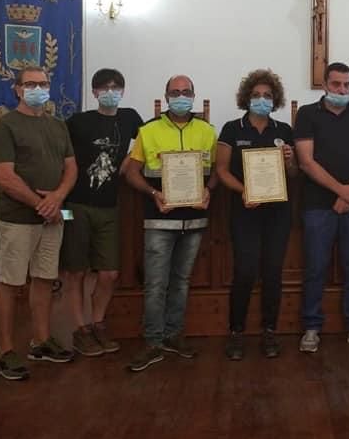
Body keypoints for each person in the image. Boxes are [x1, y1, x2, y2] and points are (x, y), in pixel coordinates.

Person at [123, 75, 217, 372]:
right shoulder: (148, 130)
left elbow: (218, 169)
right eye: (175, 92)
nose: (180, 96)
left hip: (194, 220)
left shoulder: (207, 131)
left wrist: (209, 189)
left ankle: (173, 336)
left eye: (186, 92)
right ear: (166, 97)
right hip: (159, 221)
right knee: (155, 284)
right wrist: (153, 193)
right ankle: (152, 342)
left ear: (193, 95)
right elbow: (131, 173)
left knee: (181, 282)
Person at [0, 65, 77, 380]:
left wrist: (58, 198)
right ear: (17, 89)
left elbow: (71, 168)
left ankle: (41, 341)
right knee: (10, 283)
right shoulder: (6, 126)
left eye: (43, 83)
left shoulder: (58, 125)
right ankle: (4, 351)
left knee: (44, 279)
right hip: (17, 218)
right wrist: (41, 204)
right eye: (30, 84)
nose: (37, 89)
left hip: (53, 217)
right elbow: (4, 176)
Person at [294, 61, 349, 354]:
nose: (342, 90)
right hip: (318, 205)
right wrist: (341, 191)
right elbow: (306, 162)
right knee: (315, 267)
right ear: (324, 85)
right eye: (336, 84)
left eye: (347, 85)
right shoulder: (307, 114)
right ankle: (311, 327)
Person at [215, 68, 299, 360]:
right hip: (245, 211)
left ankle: (270, 331)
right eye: (256, 95)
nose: (262, 99)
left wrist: (289, 161)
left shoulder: (284, 130)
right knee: (245, 271)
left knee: (273, 272)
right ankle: (236, 332)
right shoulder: (232, 129)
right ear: (246, 97)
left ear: (275, 100)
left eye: (267, 95)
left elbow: (293, 174)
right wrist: (244, 191)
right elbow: (221, 170)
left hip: (278, 212)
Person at [59, 68, 143, 357]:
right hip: (74, 207)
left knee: (109, 273)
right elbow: (62, 156)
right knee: (76, 271)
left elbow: (149, 141)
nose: (110, 92)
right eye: (104, 88)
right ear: (94, 92)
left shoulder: (129, 117)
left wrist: (129, 162)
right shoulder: (78, 121)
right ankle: (80, 328)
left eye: (116, 87)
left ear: (123, 91)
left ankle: (98, 322)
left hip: (109, 207)